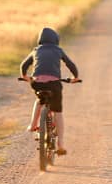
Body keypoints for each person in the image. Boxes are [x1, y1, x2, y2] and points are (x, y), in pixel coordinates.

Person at [20, 27, 80, 155]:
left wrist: (26, 77)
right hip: (54, 84)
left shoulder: (36, 50)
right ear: (56, 40)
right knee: (57, 112)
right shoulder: (58, 50)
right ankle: (61, 144)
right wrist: (75, 77)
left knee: (39, 101)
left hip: (37, 83)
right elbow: (70, 65)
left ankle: (32, 125)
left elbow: (24, 65)